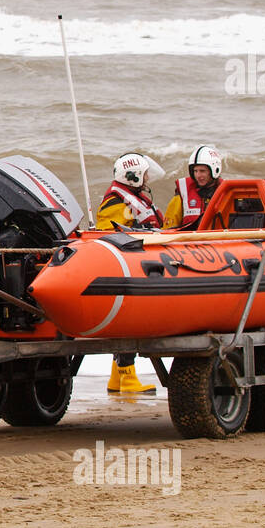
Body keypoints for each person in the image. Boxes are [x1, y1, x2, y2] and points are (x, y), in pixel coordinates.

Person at [98, 153, 163, 394]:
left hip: (132, 267)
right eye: (144, 174)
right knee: (130, 323)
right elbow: (116, 234)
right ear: (133, 176)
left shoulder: (132, 198)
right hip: (127, 269)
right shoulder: (117, 202)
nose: (147, 179)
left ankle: (117, 376)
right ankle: (127, 376)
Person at [165, 145, 224, 228]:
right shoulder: (183, 191)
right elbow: (168, 228)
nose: (198, 175)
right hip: (190, 240)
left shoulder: (225, 192)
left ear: (215, 170)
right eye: (195, 171)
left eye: (202, 171)